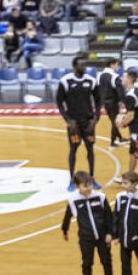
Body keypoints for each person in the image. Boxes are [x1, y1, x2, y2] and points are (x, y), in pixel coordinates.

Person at [62, 170, 115, 275]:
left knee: (106, 260)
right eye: (85, 186)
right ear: (77, 186)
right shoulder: (73, 200)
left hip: (102, 237)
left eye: (90, 184)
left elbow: (109, 216)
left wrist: (110, 233)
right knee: (86, 263)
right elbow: (67, 216)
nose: (89, 188)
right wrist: (65, 230)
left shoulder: (100, 197)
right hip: (86, 238)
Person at [57, 55, 99, 188]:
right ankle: (71, 180)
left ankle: (92, 177)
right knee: (73, 150)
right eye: (81, 65)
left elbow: (98, 102)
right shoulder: (66, 81)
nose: (84, 67)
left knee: (90, 149)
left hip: (88, 123)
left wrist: (95, 120)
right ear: (75, 66)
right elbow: (59, 102)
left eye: (85, 65)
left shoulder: (91, 81)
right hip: (74, 124)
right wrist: (68, 120)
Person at [118, 71, 138, 176]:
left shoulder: (130, 96)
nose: (121, 79)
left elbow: (131, 116)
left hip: (137, 130)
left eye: (123, 77)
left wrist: (122, 123)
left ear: (129, 79)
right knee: (132, 153)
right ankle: (130, 175)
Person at [96, 58, 124, 147]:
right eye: (117, 64)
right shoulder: (114, 76)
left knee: (113, 120)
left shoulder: (100, 75)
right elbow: (120, 90)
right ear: (112, 65)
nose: (118, 67)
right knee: (115, 121)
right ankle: (112, 141)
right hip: (113, 101)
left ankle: (120, 137)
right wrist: (122, 101)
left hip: (105, 102)